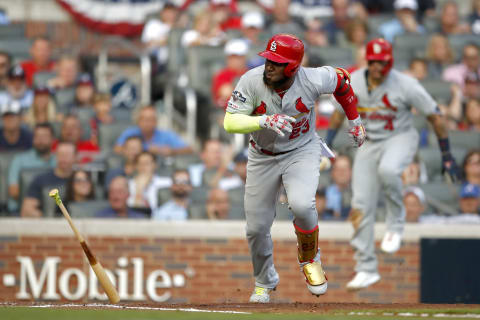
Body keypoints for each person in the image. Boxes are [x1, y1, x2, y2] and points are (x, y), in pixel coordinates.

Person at [223, 33, 366, 302]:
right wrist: (263, 121)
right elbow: (230, 122)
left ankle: (310, 258)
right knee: (255, 228)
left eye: (277, 63)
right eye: (268, 59)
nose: (269, 66)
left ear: (292, 67)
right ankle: (265, 281)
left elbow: (342, 82)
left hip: (301, 149)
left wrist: (354, 119)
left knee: (301, 204)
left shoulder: (312, 78)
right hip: (262, 155)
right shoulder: (251, 80)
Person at [326, 38, 458, 290]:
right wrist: (328, 142)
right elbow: (337, 113)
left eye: (382, 62)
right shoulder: (353, 80)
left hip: (400, 137)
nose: (377, 67)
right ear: (368, 60)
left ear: (390, 62)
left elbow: (435, 116)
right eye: (373, 62)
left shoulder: (406, 84)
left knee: (388, 170)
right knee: (360, 205)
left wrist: (447, 154)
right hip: (369, 142)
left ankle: (396, 225)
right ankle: (366, 267)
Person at [7, 123, 56, 213]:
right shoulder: (19, 159)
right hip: (19, 211)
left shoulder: (58, 161)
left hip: (51, 211)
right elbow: (13, 191)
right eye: (37, 136)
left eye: (44, 136)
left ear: (53, 139)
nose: (40, 140)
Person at [20, 142, 76, 218]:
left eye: (67, 155)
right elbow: (26, 211)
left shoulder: (81, 180)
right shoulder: (41, 180)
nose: (63, 158)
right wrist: (45, 219)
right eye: (60, 154)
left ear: (75, 157)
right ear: (55, 156)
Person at [114, 105, 192, 157]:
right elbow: (117, 149)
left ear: (156, 121)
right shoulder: (130, 133)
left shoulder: (166, 135)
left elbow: (189, 150)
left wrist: (171, 151)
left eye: (152, 120)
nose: (148, 123)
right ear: (138, 120)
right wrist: (138, 150)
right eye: (145, 119)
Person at [212, 39, 249, 109]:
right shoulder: (222, 75)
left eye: (239, 57)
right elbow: (225, 92)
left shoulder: (250, 74)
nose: (236, 60)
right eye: (233, 57)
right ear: (228, 58)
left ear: (244, 57)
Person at [324, 154, 352, 220]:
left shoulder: (358, 195)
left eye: (345, 169)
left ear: (351, 172)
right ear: (332, 172)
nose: (341, 173)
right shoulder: (322, 194)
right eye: (338, 169)